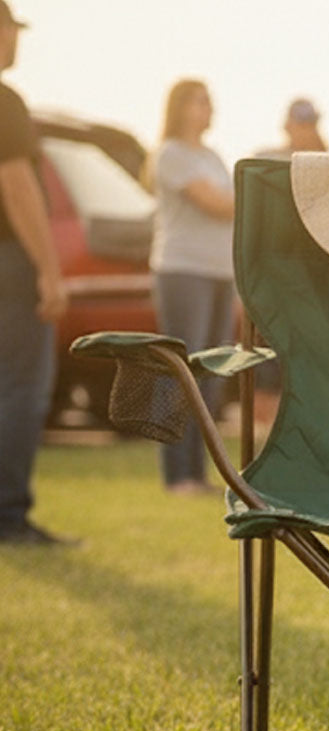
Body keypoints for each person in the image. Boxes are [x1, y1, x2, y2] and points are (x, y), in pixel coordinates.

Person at [0, 1, 71, 544]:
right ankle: (9, 515)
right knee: (21, 386)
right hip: (10, 262)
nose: (15, 39)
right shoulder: (4, 102)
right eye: (9, 28)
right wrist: (49, 271)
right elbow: (18, 186)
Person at [148, 79, 234, 494]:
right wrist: (258, 196)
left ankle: (199, 473)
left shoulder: (213, 156)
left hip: (220, 274)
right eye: (201, 100)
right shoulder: (171, 155)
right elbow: (216, 204)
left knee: (212, 375)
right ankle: (177, 474)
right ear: (180, 107)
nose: (209, 107)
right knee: (181, 371)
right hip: (184, 272)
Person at [256, 97, 327, 158]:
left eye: (310, 125)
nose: (305, 132)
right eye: (301, 125)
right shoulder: (268, 157)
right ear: (288, 126)